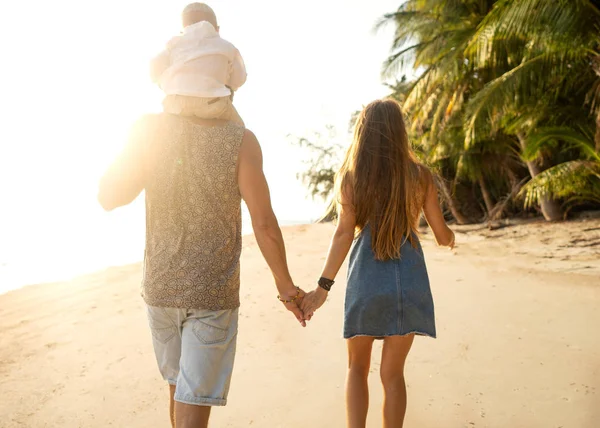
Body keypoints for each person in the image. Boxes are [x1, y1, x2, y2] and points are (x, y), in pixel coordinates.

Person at [97, 112, 305, 427]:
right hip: (212, 295)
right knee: (190, 399)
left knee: (179, 390)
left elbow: (109, 197)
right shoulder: (241, 140)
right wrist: (286, 288)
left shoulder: (150, 130)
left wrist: (139, 142)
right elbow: (263, 223)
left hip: (161, 291)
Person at [301, 99, 455, 428]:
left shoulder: (351, 177)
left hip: (366, 283)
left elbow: (343, 234)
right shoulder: (420, 176)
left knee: (357, 369)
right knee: (393, 374)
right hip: (409, 283)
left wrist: (322, 288)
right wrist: (450, 238)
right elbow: (441, 234)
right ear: (400, 132)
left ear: (363, 132)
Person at [150, 3, 246, 125]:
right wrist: (228, 84)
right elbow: (239, 79)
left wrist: (162, 82)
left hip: (176, 104)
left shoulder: (174, 43)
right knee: (240, 130)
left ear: (184, 28)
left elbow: (153, 67)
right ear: (217, 29)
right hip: (213, 104)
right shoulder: (227, 46)